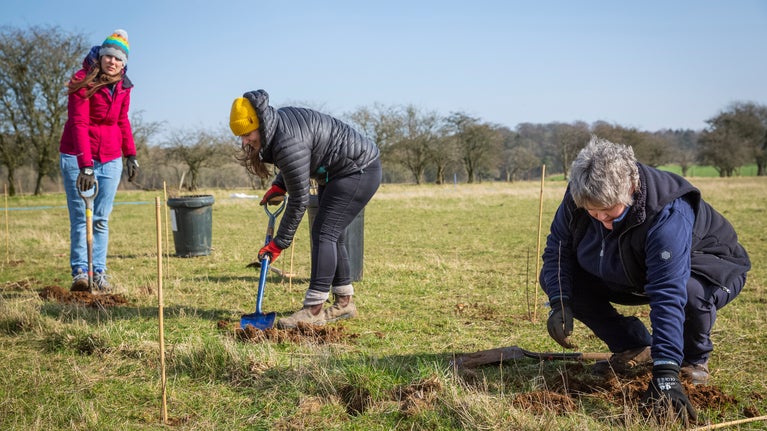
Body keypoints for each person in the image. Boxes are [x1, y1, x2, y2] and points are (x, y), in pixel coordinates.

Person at [540, 136, 750, 424]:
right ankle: (634, 346)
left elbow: (668, 293)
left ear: (630, 188)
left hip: (708, 269)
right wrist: (559, 300)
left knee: (689, 293)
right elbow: (558, 250)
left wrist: (665, 373)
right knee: (566, 282)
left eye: (610, 211)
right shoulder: (580, 193)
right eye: (594, 213)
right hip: (633, 269)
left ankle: (692, 359)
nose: (603, 221)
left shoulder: (668, 213)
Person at [229, 89, 381, 329]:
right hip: (337, 173)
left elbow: (299, 198)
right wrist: (279, 185)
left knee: (324, 233)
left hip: (357, 170)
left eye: (247, 134)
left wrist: (279, 243)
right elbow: (298, 162)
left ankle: (313, 310)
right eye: (240, 136)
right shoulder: (278, 126)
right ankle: (344, 303)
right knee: (333, 234)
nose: (244, 141)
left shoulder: (286, 139)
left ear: (259, 124)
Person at [59, 29, 139, 292]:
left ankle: (99, 273)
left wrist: (130, 154)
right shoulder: (83, 80)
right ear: (101, 56)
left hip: (110, 157)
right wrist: (85, 164)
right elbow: (79, 123)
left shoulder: (124, 86)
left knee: (102, 218)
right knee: (82, 217)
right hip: (77, 156)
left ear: (123, 63)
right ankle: (81, 272)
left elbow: (122, 120)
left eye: (118, 59)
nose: (112, 62)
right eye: (109, 56)